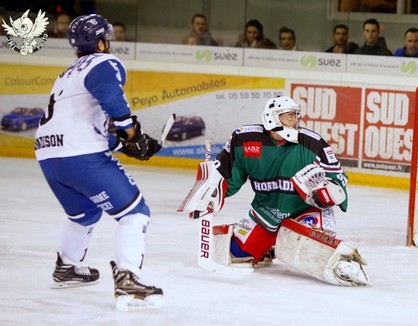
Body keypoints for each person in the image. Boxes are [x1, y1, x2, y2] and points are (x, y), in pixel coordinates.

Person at [34, 14, 163, 310]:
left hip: (48, 156)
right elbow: (112, 98)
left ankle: (67, 265)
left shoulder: (67, 74)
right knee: (135, 213)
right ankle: (128, 277)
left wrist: (123, 145)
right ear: (101, 42)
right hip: (80, 154)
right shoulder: (104, 63)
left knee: (85, 214)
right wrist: (132, 133)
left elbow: (73, 128)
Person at [180, 96, 369, 287]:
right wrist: (211, 192)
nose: (295, 121)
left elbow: (338, 180)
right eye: (289, 116)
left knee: (313, 248)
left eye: (296, 116)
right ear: (272, 118)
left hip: (304, 212)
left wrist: (326, 193)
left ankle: (336, 260)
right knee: (234, 255)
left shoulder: (313, 143)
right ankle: (267, 248)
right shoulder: (244, 140)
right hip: (266, 212)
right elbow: (228, 177)